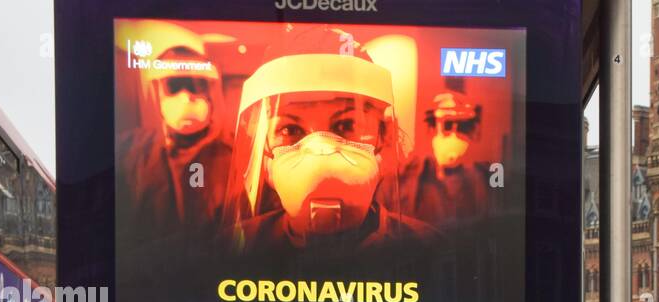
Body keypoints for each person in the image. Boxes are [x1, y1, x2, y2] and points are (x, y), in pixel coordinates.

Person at [222, 24, 437, 263]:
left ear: (384, 135)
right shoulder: (236, 247)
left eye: (346, 125)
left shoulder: (428, 250)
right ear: (264, 151)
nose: (320, 150)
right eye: (290, 129)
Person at [116, 26, 234, 251]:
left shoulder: (235, 157)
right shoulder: (126, 153)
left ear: (210, 92)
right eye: (174, 86)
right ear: (157, 92)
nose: (186, 98)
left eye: (194, 85)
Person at [394, 92, 493, 226]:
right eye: (447, 126)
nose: (454, 136)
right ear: (432, 129)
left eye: (462, 128)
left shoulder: (480, 180)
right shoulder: (411, 179)